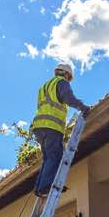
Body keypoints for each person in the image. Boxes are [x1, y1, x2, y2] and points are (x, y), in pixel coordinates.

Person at [31, 62, 90, 198]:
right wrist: (83, 107)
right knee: (55, 156)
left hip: (39, 126)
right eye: (69, 78)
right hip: (52, 126)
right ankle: (46, 187)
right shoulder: (61, 83)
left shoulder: (44, 87)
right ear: (66, 74)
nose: (69, 80)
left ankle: (39, 188)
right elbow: (68, 98)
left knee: (48, 158)